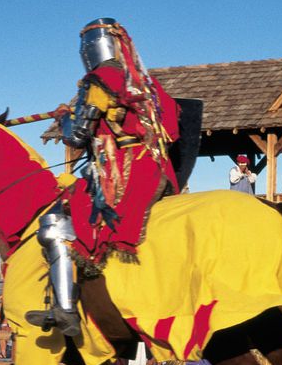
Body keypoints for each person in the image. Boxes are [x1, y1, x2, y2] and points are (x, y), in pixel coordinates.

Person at [37, 17, 181, 337]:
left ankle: (65, 309)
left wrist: (63, 119)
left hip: (124, 171)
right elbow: (171, 126)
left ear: (92, 48)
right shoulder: (145, 83)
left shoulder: (99, 81)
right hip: (157, 168)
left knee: (54, 223)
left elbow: (78, 135)